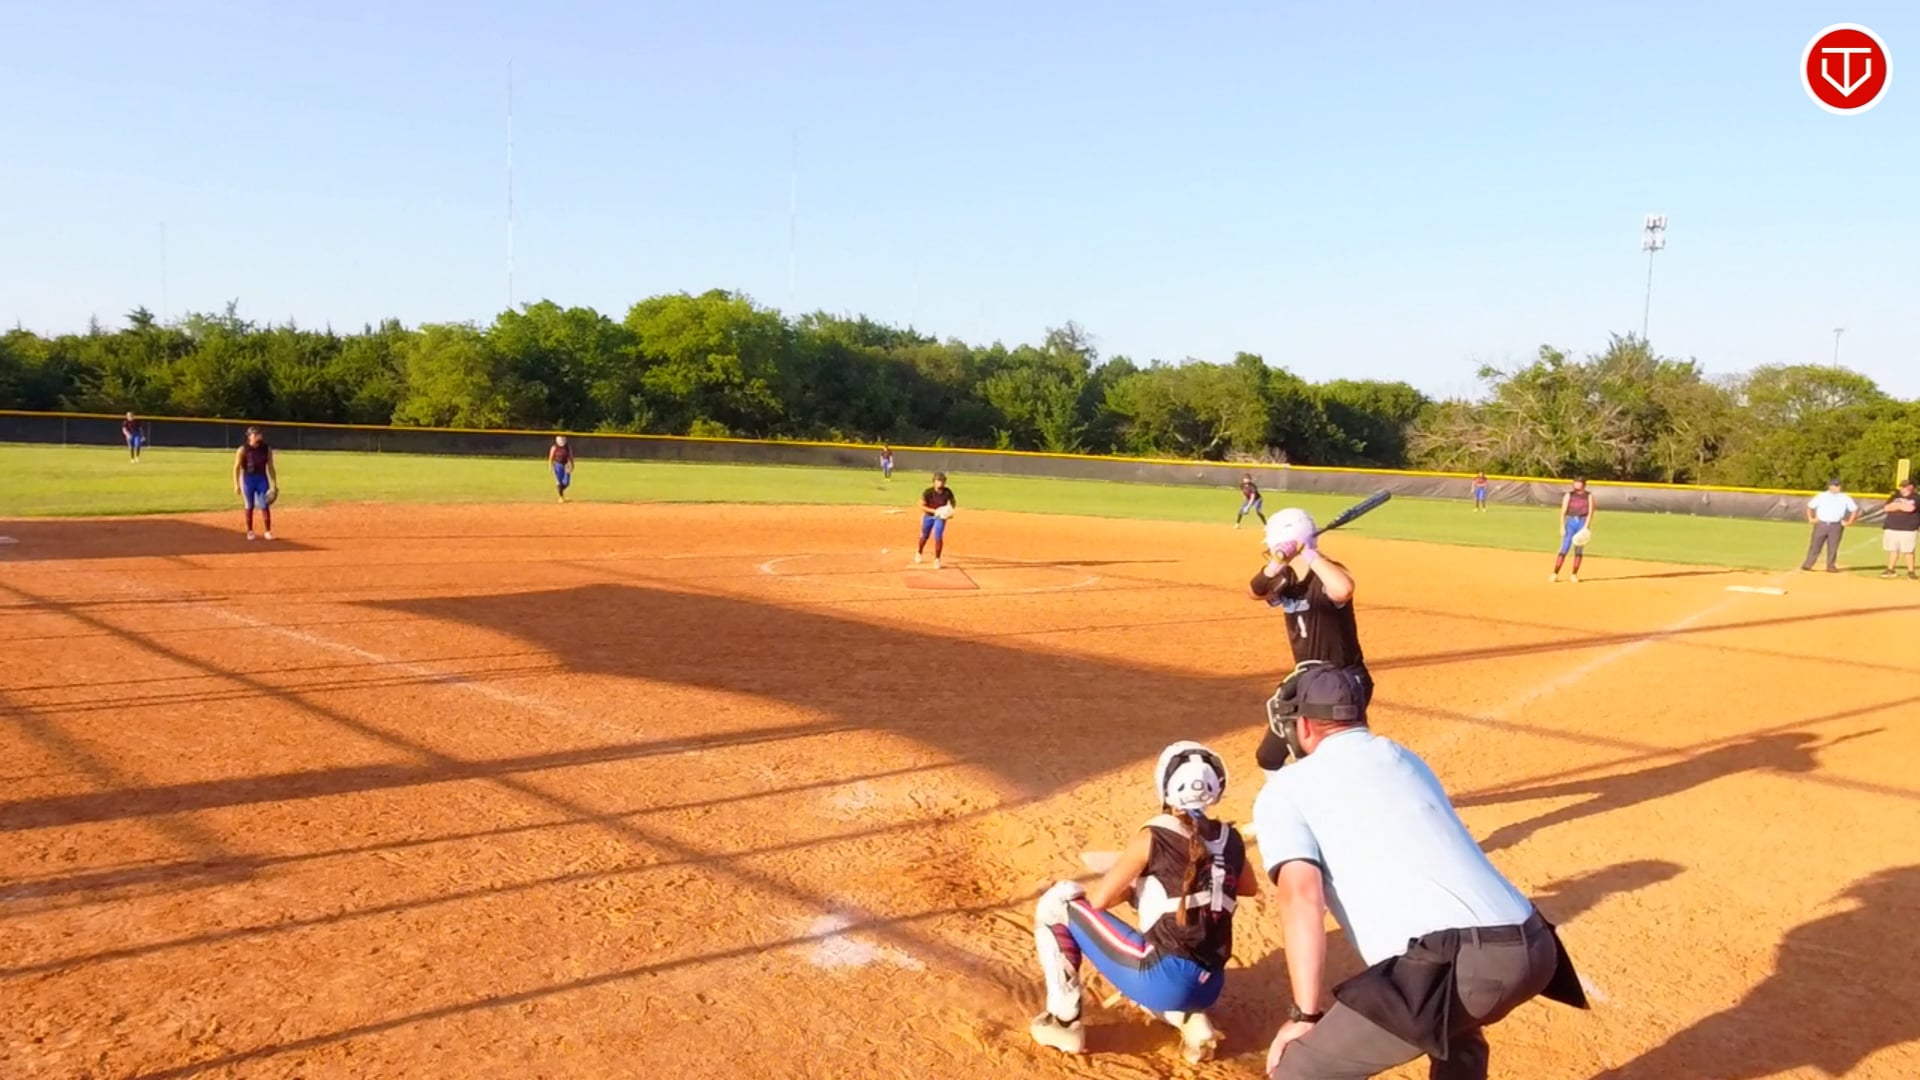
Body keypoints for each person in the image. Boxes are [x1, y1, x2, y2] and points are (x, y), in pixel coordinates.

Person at [1251, 665, 1587, 1079]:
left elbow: (1301, 896)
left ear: (1302, 725)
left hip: (1463, 966)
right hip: (1535, 945)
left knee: (1299, 1071)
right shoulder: (1403, 758)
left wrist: (1305, 1014)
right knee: (1455, 1030)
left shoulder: (1286, 789)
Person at [1030, 741, 1257, 1065]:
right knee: (1166, 963)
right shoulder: (1230, 839)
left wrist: (1137, 890)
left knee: (1058, 901)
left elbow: (1100, 900)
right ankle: (1191, 1020)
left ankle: (1063, 1023)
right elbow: (1247, 887)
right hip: (1210, 985)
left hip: (1162, 978)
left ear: (1165, 785)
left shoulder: (1154, 835)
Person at [1248, 509, 1370, 766]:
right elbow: (1254, 591)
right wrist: (1275, 564)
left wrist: (1309, 553)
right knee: (1268, 757)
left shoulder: (1326, 574)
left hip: (1342, 680)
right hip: (1308, 679)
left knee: (1323, 758)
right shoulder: (1286, 579)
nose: (1271, 551)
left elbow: (1343, 590)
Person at [1801, 478, 1859, 574]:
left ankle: (1830, 566)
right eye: (1835, 485)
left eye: (1838, 485)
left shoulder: (1844, 497)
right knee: (1815, 545)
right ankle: (1808, 564)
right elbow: (1810, 506)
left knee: (1833, 546)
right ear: (1830, 486)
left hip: (1836, 525)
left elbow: (1854, 510)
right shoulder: (1822, 496)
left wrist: (1849, 522)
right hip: (1822, 524)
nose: (1838, 487)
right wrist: (1811, 518)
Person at [231, 426, 278, 541]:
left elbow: (271, 466)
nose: (258, 436)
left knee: (264, 504)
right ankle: (250, 531)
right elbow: (236, 467)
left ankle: (268, 531)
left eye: (259, 434)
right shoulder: (242, 449)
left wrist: (274, 484)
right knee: (249, 505)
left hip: (261, 478)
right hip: (247, 479)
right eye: (255, 434)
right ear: (249, 436)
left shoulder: (266, 449)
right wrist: (236, 484)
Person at [1550, 478, 1594, 583]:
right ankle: (1555, 573)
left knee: (1578, 549)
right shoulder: (1569, 495)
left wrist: (1586, 526)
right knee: (1565, 547)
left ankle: (1574, 574)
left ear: (1583, 484)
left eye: (1579, 482)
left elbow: (1590, 512)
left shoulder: (1589, 496)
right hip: (1570, 522)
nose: (1577, 484)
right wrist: (1562, 526)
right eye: (1576, 482)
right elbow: (1563, 512)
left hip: (1582, 522)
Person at [916, 472, 956, 569]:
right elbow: (921, 506)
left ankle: (937, 559)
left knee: (938, 536)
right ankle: (919, 552)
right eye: (938, 481)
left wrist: (949, 512)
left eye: (942, 481)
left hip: (940, 517)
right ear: (934, 481)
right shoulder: (928, 492)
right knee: (925, 536)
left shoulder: (947, 492)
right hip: (929, 516)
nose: (940, 483)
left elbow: (953, 502)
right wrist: (935, 511)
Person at [1880, 479, 1918, 580]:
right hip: (1892, 527)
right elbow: (1886, 508)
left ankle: (1911, 572)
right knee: (1893, 550)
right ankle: (1890, 569)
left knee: (1908, 551)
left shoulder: (1916, 497)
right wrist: (1901, 506)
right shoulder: (1895, 496)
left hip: (1908, 528)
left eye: (1905, 486)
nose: (1902, 488)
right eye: (1901, 486)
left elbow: (1910, 509)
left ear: (1911, 487)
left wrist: (1896, 506)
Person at [548, 435, 574, 502]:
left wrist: (572, 465)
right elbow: (551, 458)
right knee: (559, 482)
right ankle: (561, 497)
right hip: (557, 465)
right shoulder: (554, 447)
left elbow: (570, 457)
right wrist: (550, 466)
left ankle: (560, 490)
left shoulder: (568, 447)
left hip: (566, 465)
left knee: (566, 482)